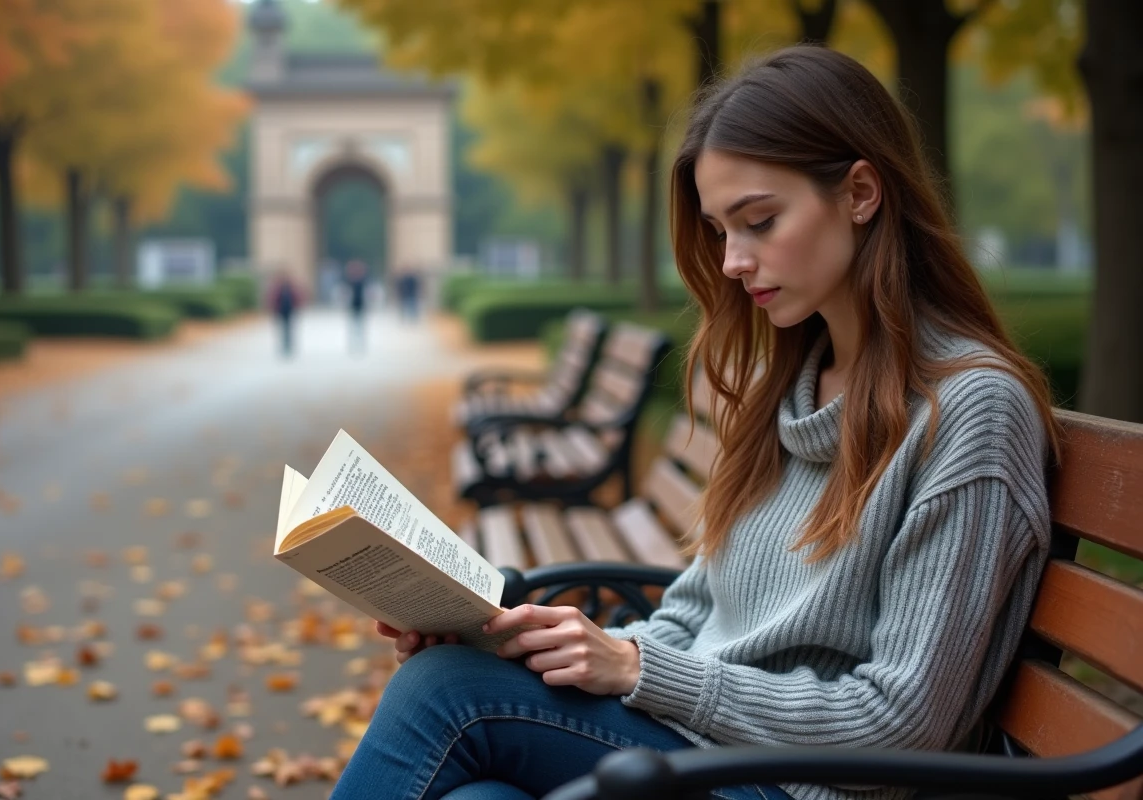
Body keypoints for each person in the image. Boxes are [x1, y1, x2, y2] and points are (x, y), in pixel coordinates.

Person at [329, 45, 1058, 800]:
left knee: (446, 692)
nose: (734, 261)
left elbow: (901, 721)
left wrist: (641, 671)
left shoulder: (969, 411)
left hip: (801, 786)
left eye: (760, 221)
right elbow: (692, 614)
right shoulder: (790, 386)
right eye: (720, 231)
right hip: (709, 751)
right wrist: (552, 647)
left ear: (862, 192)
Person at [266, 270, 302, 357]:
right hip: (281, 311)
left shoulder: (291, 288)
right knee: (283, 329)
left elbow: (297, 297)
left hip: (289, 310)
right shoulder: (279, 288)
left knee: (289, 329)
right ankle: (284, 346)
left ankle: (288, 345)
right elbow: (273, 299)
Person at [343, 258, 369, 353]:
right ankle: (353, 343)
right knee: (353, 326)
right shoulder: (350, 281)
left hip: (361, 305)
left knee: (360, 326)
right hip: (353, 305)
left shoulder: (363, 280)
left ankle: (360, 343)